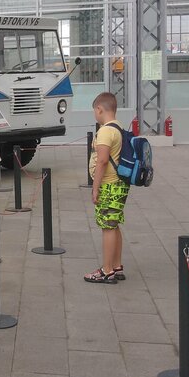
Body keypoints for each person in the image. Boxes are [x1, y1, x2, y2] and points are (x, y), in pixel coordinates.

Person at [83, 91, 128, 284]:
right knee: (114, 224)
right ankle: (116, 266)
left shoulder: (105, 131)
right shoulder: (119, 127)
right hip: (119, 184)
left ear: (99, 109)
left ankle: (107, 270)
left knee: (107, 227)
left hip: (108, 185)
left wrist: (95, 187)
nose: (95, 114)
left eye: (95, 111)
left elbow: (101, 161)